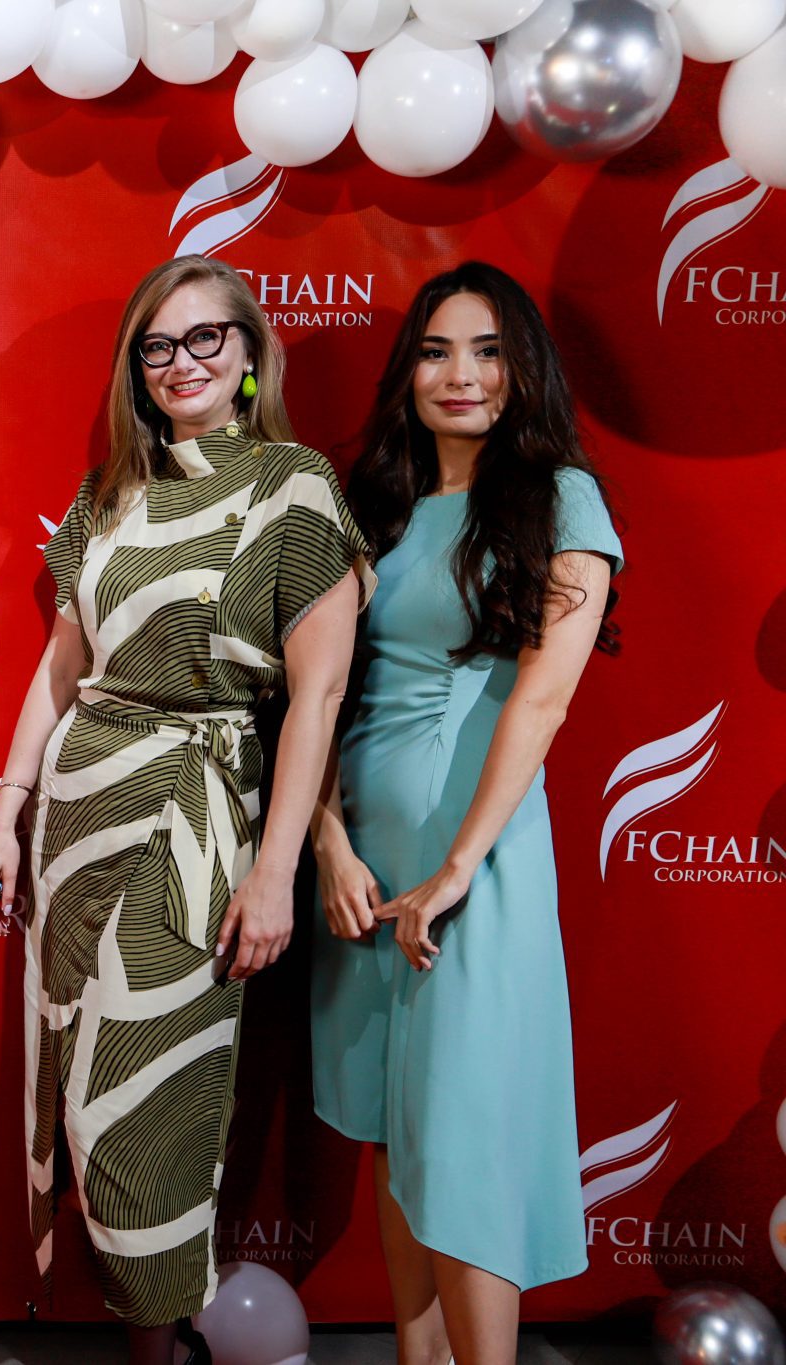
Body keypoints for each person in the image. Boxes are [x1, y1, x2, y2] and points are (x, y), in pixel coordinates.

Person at [0, 255, 372, 1364]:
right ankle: (142, 1344)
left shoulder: (292, 487)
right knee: (75, 1090)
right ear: (134, 370)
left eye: (205, 338)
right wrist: (5, 811)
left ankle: (155, 1352)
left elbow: (318, 697)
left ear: (248, 355)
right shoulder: (107, 493)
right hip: (77, 816)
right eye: (157, 346)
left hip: (197, 820)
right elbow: (62, 669)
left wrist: (273, 871)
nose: (181, 362)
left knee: (144, 1102)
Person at [310, 262, 621, 1364]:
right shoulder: (375, 507)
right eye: (438, 350)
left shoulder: (560, 500)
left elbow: (541, 700)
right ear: (409, 371)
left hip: (474, 864)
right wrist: (326, 841)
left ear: (522, 369)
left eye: (488, 351)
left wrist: (455, 866)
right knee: (398, 1126)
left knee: (464, 1135)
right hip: (361, 864)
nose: (461, 374)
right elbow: (318, 693)